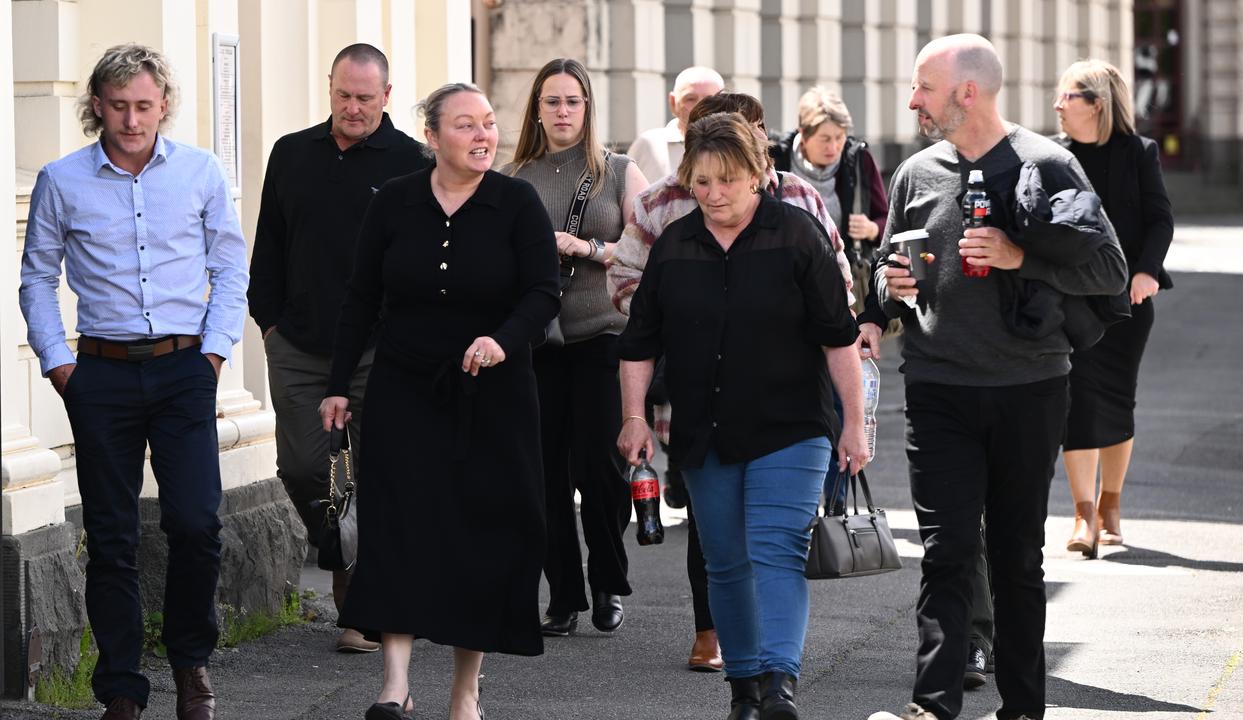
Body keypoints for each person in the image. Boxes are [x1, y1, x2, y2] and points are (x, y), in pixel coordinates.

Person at [865, 35, 1127, 720]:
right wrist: (889, 287)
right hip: (938, 389)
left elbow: (1110, 272)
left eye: (924, 87)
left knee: (1015, 557)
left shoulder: (1049, 164)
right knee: (947, 552)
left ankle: (1024, 708)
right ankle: (933, 704)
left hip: (1028, 389)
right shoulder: (914, 174)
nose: (913, 100)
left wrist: (1020, 257)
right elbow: (883, 275)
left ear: (967, 92)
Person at [18, 43, 248, 720]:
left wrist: (213, 355)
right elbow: (37, 276)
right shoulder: (62, 180)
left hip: (184, 370)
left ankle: (191, 664)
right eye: (118, 105)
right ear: (97, 105)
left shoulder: (201, 172)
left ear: (164, 105)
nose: (131, 120)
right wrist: (59, 363)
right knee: (112, 536)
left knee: (196, 522)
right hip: (101, 375)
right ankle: (121, 686)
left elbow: (231, 267)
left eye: (144, 105)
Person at [318, 83, 559, 720]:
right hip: (405, 389)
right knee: (399, 526)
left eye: (489, 123)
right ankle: (394, 685)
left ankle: (465, 689)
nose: (483, 136)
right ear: (432, 136)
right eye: (465, 125)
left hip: (494, 395)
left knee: (480, 534)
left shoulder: (517, 202)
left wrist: (503, 340)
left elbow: (543, 292)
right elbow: (360, 299)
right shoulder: (394, 201)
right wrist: (338, 385)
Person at [617, 111, 869, 720]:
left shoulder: (797, 234)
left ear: (757, 174)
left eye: (726, 180)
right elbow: (639, 342)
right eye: (701, 182)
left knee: (777, 548)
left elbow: (839, 338)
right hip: (705, 429)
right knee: (725, 562)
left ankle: (780, 683)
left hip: (792, 424)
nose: (713, 194)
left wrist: (855, 424)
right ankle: (745, 690)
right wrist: (634, 417)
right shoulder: (675, 245)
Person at [247, 43, 427, 653]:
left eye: (365, 98)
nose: (353, 107)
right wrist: (269, 323)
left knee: (380, 470)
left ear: (387, 96)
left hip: (382, 349)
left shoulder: (413, 163)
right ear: (329, 88)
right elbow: (269, 244)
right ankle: (343, 558)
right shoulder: (291, 153)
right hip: (299, 345)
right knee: (303, 466)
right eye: (344, 95)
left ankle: (364, 598)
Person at [503, 57, 649, 638]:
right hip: (539, 341)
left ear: (587, 108)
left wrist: (586, 248)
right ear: (537, 110)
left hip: (604, 336)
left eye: (572, 101)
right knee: (544, 475)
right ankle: (563, 595)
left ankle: (608, 579)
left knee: (600, 465)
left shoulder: (619, 171)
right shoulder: (514, 177)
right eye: (552, 102)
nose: (563, 112)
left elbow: (644, 248)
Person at [1054, 58, 1174, 556]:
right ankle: (1083, 515)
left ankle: (1111, 506)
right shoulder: (1054, 157)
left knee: (1119, 399)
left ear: (1096, 104)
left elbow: (1160, 219)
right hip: (1071, 301)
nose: (1058, 105)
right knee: (1076, 401)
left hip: (1127, 300)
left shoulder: (1139, 153)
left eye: (1068, 96)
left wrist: (1147, 271)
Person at [770, 86, 889, 307]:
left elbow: (887, 220)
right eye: (824, 139)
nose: (833, 147)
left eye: (839, 137)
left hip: (844, 286)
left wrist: (872, 228)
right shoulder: (777, 159)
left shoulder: (858, 160)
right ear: (803, 134)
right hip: (786, 282)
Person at [627, 66, 725, 182]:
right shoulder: (647, 146)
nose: (700, 107)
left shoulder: (738, 146)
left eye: (709, 100)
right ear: (673, 102)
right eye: (690, 99)